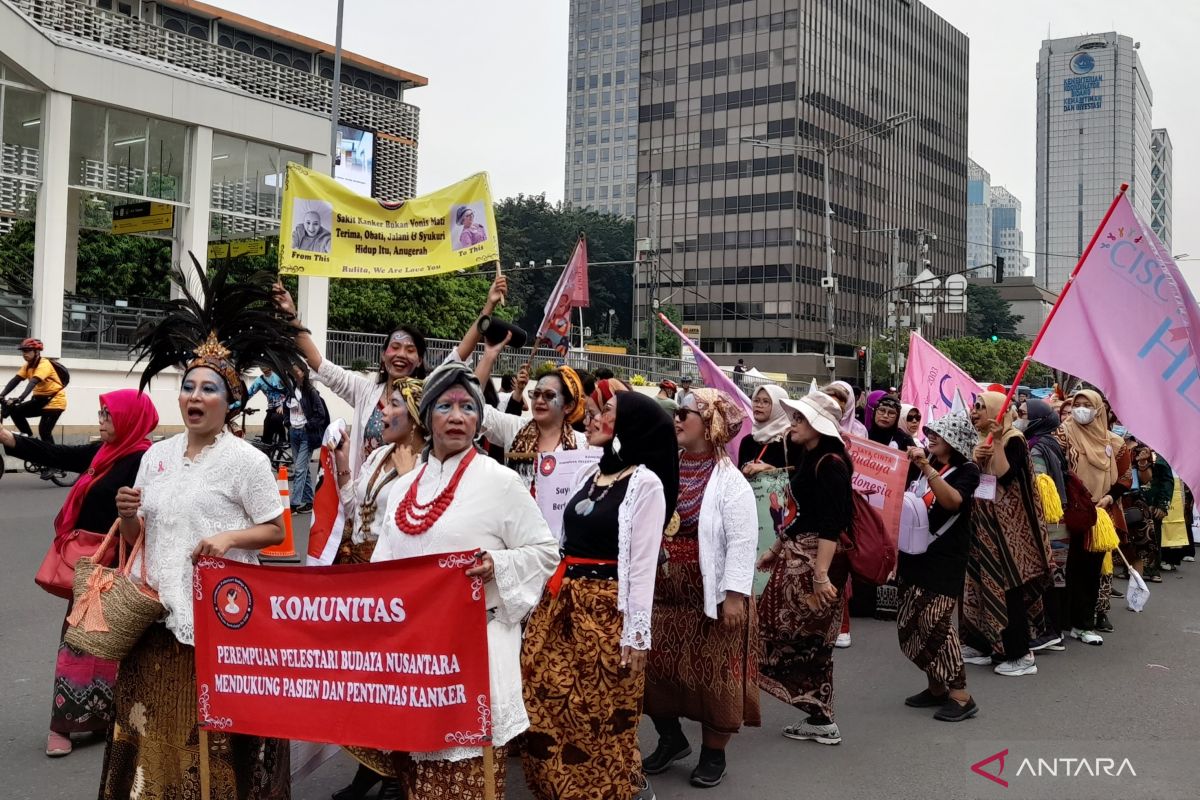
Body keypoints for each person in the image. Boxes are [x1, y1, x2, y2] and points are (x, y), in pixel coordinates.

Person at [101, 263, 300, 799]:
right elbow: (137, 535)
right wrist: (125, 515)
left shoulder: (247, 461)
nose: (194, 395)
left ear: (229, 401)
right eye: (188, 386)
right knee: (148, 731)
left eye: (208, 388)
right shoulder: (155, 456)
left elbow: (275, 529)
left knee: (206, 742)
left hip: (218, 620)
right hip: (152, 614)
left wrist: (230, 539)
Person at [356, 362, 556, 800]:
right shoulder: (405, 489)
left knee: (464, 776)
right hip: (417, 658)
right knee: (416, 777)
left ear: (479, 419)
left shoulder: (500, 482)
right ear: (426, 419)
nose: (457, 416)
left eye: (468, 407)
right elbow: (384, 569)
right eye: (444, 406)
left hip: (475, 654)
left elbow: (545, 552)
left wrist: (497, 564)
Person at [522, 392, 677, 800]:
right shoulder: (587, 474)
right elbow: (561, 542)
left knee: (596, 714)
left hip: (608, 612)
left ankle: (611, 788)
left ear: (628, 426)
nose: (592, 418)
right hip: (562, 605)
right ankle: (561, 789)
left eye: (606, 412)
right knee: (542, 697)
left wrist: (636, 635)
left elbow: (642, 565)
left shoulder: (646, 484)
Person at [0, 390, 158, 757]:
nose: (101, 418)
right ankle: (66, 725)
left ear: (130, 418)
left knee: (111, 647)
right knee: (78, 643)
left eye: (108, 413)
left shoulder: (146, 460)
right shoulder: (103, 452)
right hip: (90, 564)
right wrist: (9, 439)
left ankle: (91, 721)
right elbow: (59, 455)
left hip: (121, 564)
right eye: (101, 412)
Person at [274, 274, 505, 479]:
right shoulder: (364, 391)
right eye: (395, 347)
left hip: (412, 493)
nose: (401, 354)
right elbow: (319, 363)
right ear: (383, 355)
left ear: (420, 360)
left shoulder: (426, 393)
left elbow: (459, 354)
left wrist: (488, 308)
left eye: (410, 349)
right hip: (366, 499)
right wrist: (291, 318)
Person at [644, 389, 759, 788]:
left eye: (686, 414)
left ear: (710, 423)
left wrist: (734, 597)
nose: (676, 419)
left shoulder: (732, 482)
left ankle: (714, 754)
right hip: (662, 596)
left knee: (714, 676)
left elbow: (744, 543)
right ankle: (671, 740)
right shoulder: (665, 467)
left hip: (711, 599)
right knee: (653, 669)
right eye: (676, 413)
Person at [330, 377, 425, 800]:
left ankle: (394, 774)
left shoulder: (429, 465)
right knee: (366, 682)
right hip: (363, 578)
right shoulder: (382, 453)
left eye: (392, 407)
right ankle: (372, 768)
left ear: (415, 415)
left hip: (400, 586)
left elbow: (423, 528)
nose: (382, 413)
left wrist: (410, 482)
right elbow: (355, 508)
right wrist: (342, 465)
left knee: (397, 681)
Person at [756, 392, 853, 746]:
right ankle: (819, 715)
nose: (792, 423)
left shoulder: (831, 464)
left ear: (817, 426)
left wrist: (820, 575)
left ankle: (820, 714)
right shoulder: (813, 457)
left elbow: (831, 524)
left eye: (799, 419)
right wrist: (775, 548)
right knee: (794, 636)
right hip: (800, 561)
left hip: (814, 567)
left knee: (802, 638)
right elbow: (803, 517)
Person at [959, 392, 1053, 677]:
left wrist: (997, 441)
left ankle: (1020, 654)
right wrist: (974, 458)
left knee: (1008, 587)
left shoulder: (1014, 440)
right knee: (978, 583)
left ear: (998, 412)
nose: (974, 412)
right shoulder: (977, 441)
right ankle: (984, 644)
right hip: (982, 527)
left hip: (1009, 532)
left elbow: (1005, 475)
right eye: (974, 407)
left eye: (981, 407)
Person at [896, 413, 981, 722]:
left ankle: (960, 694)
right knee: (909, 627)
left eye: (939, 434)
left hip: (944, 560)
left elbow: (953, 502)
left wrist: (926, 467)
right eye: (931, 432)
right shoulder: (925, 462)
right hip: (913, 554)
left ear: (955, 440)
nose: (931, 437)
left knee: (936, 626)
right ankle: (935, 687)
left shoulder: (967, 471)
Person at [1057, 389, 1129, 638]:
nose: (1081, 409)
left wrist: (1109, 498)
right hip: (1067, 513)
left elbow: (1126, 477)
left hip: (1098, 515)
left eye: (1088, 404)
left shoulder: (1115, 443)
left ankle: (1083, 624)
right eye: (1078, 404)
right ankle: (1059, 624)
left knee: (1090, 570)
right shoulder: (1063, 434)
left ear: (1099, 409)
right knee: (1063, 568)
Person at [478, 361, 589, 491]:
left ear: (568, 406)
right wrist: (490, 355)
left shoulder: (583, 445)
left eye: (549, 395)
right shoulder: (515, 428)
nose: (539, 401)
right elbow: (476, 408)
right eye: (536, 394)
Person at [1021, 399, 1072, 642]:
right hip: (1058, 524)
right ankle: (1054, 630)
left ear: (1037, 420)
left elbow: (1039, 487)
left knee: (1049, 580)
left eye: (1023, 414)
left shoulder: (1037, 448)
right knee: (1055, 579)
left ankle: (1051, 632)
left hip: (1048, 526)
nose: (1019, 418)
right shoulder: (1051, 443)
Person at [2, 338, 67, 446]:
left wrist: (21, 398)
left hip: (54, 402)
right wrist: (2, 394)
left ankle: (53, 459)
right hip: (39, 401)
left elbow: (33, 382)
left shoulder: (44, 364)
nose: (24, 354)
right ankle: (30, 440)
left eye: (27, 351)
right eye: (23, 351)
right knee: (15, 411)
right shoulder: (28, 366)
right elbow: (16, 380)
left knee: (44, 431)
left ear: (37, 352)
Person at [285, 364, 328, 514]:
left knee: (300, 469)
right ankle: (309, 501)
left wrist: (308, 426)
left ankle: (295, 504)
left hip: (306, 434)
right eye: (293, 370)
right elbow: (286, 409)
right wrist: (287, 422)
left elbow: (321, 414)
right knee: (302, 468)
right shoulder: (290, 391)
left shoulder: (311, 392)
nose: (294, 372)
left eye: (296, 369)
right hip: (293, 432)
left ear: (303, 373)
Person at [1128, 445, 1170, 582]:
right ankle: (1129, 569)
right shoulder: (1129, 449)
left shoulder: (1160, 454)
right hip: (1132, 500)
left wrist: (1163, 504)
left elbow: (1167, 481)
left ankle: (1153, 570)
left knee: (1153, 536)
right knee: (1131, 537)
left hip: (1153, 503)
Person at [738, 384, 793, 473]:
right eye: (756, 400)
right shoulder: (747, 442)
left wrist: (771, 470)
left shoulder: (790, 440)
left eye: (766, 401)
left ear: (779, 407)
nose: (759, 405)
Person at [244, 366, 287, 445]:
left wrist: (283, 405)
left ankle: (283, 438)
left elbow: (289, 392)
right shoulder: (259, 381)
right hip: (271, 408)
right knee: (266, 424)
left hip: (284, 406)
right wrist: (240, 403)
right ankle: (267, 446)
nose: (266, 372)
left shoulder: (279, 377)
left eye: (268, 370)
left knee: (276, 418)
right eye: (264, 370)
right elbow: (248, 394)